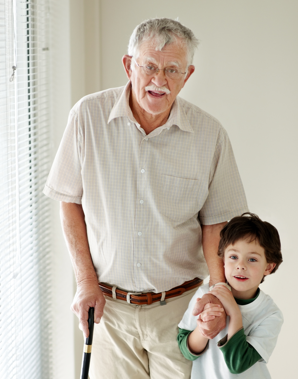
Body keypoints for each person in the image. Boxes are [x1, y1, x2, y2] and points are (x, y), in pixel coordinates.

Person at [44, 17, 247, 378]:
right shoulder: (87, 117)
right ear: (128, 66)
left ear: (188, 75)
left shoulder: (210, 135)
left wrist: (218, 289)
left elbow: (217, 223)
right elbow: (68, 201)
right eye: (149, 66)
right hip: (109, 309)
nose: (160, 80)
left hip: (182, 312)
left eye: (173, 70)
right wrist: (85, 281)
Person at [178, 212, 284, 378]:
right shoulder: (206, 294)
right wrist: (203, 330)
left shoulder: (270, 314)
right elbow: (186, 350)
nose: (240, 266)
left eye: (252, 259)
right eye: (233, 257)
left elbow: (238, 363)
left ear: (268, 267)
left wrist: (234, 313)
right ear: (223, 261)